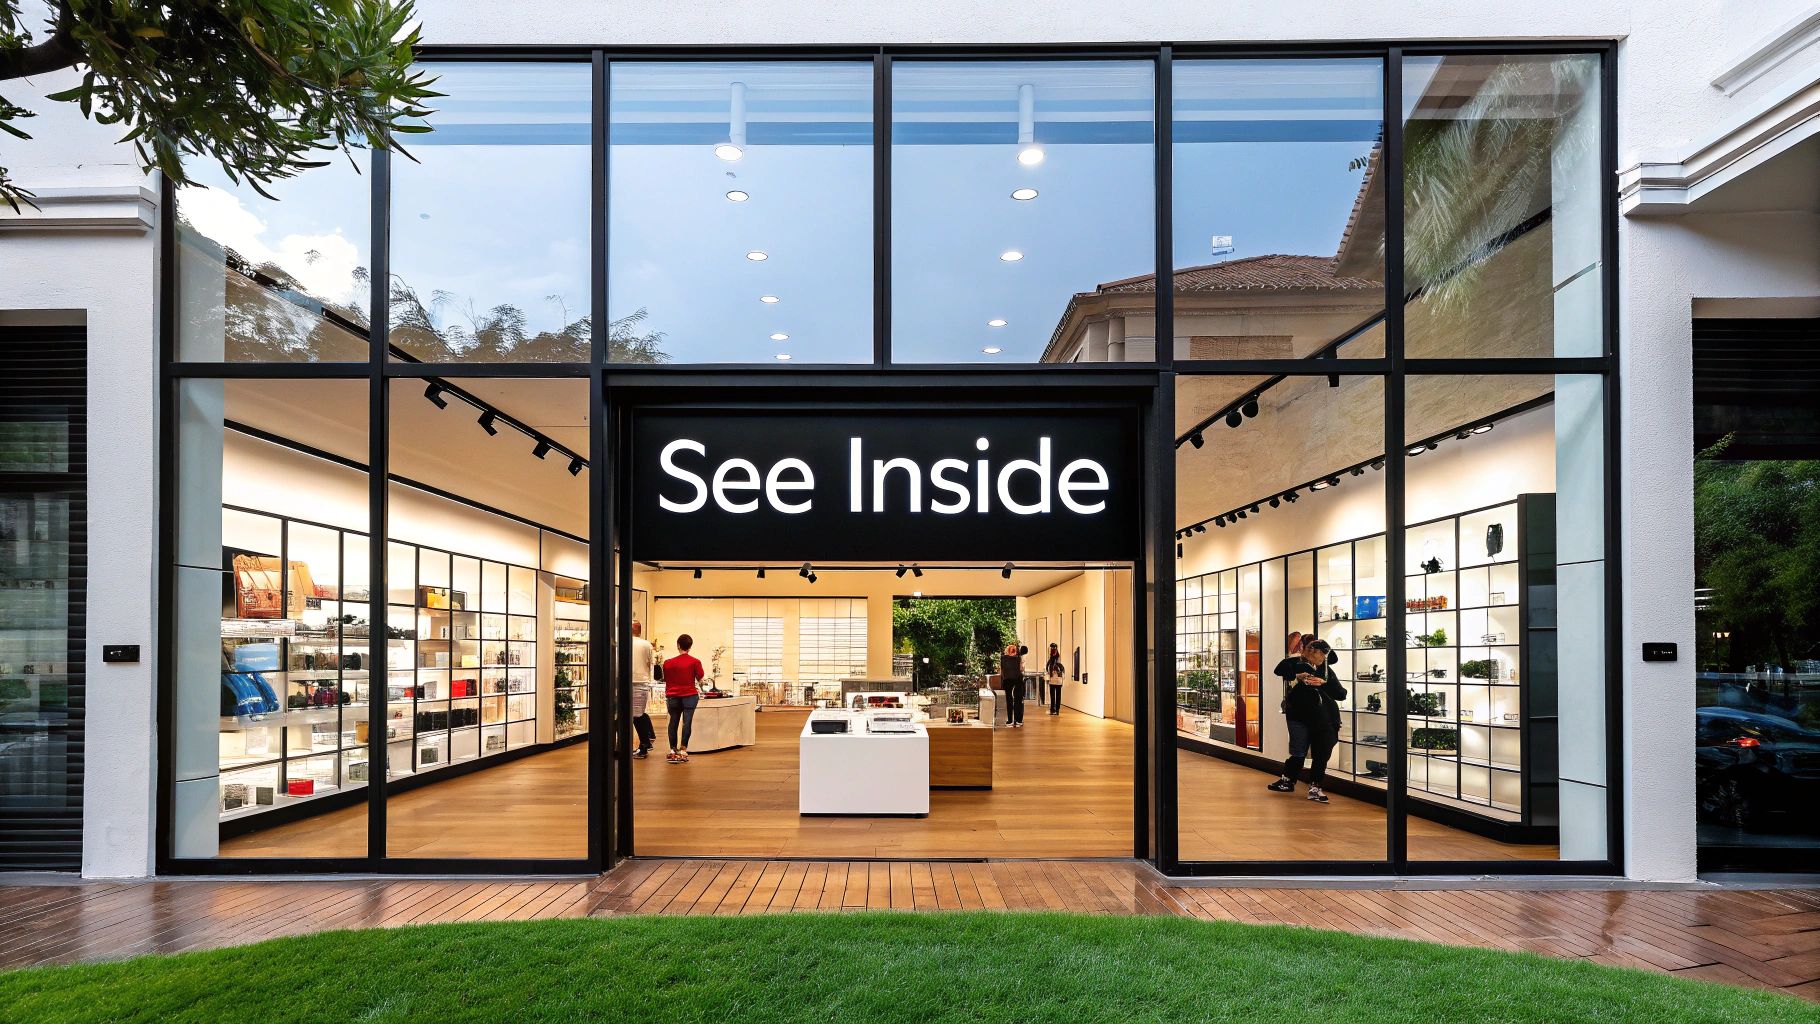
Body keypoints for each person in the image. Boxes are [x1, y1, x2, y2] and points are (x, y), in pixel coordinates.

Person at [1267, 638, 1347, 802]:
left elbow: (1341, 693)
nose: (1320, 656)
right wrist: (1297, 675)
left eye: (1322, 653)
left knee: (1321, 754)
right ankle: (1287, 780)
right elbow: (1280, 669)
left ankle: (1315, 787)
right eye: (1317, 652)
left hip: (1324, 719)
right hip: (1299, 716)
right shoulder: (1297, 663)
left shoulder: (1326, 671)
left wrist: (1323, 684)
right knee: (1298, 751)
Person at [662, 632, 705, 763]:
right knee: (687, 722)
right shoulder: (695, 662)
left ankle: (672, 749)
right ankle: (683, 749)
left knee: (673, 721)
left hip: (673, 696)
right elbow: (700, 678)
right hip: (690, 696)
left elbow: (666, 679)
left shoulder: (667, 663)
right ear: (690, 646)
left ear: (678, 645)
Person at [630, 620, 657, 759]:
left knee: (636, 715)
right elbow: (651, 663)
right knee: (638, 713)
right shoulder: (647, 645)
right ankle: (649, 738)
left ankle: (644, 745)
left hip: (631, 681)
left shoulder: (624, 642)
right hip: (641, 681)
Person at [999, 642, 1026, 728]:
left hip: (1007, 680)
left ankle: (1010, 720)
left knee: (1009, 700)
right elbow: (1022, 669)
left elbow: (1001, 671)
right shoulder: (1019, 658)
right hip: (1017, 680)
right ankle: (1018, 720)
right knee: (1018, 700)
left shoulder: (1003, 658)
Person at [1044, 642, 1065, 715]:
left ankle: (1054, 710)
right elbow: (1047, 667)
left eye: (1053, 648)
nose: (1052, 650)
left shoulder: (1055, 659)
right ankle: (1054, 710)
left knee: (1055, 695)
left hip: (1056, 679)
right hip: (1055, 680)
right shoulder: (1053, 659)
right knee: (1055, 696)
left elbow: (1048, 667)